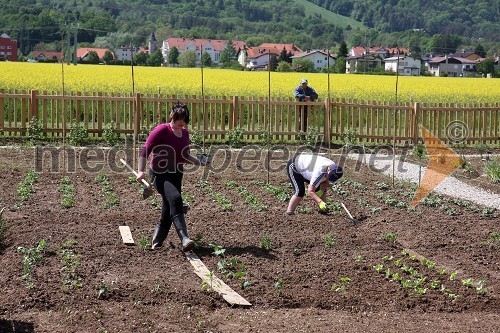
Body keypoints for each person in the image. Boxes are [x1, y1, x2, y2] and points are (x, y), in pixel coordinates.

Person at [137, 102, 210, 252]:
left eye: (184, 118)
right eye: (178, 117)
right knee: (176, 199)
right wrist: (140, 171)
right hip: (159, 174)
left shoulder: (185, 134)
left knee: (168, 208)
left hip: (177, 174)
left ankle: (156, 243)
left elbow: (185, 155)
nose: (181, 121)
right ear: (172, 115)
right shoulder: (161, 130)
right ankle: (185, 238)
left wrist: (199, 162)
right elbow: (145, 150)